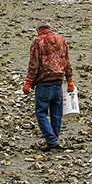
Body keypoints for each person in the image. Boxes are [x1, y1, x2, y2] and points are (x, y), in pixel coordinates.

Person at [22, 20, 75, 151]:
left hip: (44, 83)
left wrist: (28, 82)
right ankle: (54, 140)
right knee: (57, 114)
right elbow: (67, 61)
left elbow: (34, 64)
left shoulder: (38, 42)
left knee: (41, 113)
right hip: (58, 81)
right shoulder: (61, 40)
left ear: (39, 30)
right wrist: (70, 81)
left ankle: (51, 140)